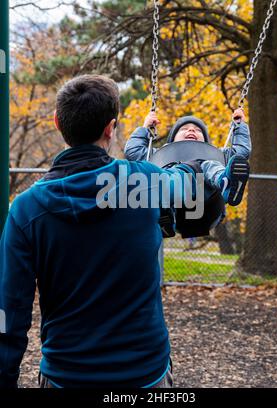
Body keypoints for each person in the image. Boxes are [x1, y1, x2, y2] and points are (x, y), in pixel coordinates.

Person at [0, 74, 208, 389]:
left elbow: (10, 313)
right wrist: (189, 166)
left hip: (67, 374)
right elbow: (186, 184)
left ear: (57, 122)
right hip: (145, 372)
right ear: (110, 128)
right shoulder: (146, 182)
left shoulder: (27, 209)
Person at [125, 109, 251, 207]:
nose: (191, 130)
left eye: (198, 130)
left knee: (209, 165)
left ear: (205, 141)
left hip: (206, 197)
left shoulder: (216, 155)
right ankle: (165, 215)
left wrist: (240, 126)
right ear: (172, 140)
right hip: (171, 191)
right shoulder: (160, 154)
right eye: (184, 129)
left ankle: (225, 182)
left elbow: (241, 152)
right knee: (162, 175)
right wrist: (145, 128)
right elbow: (133, 152)